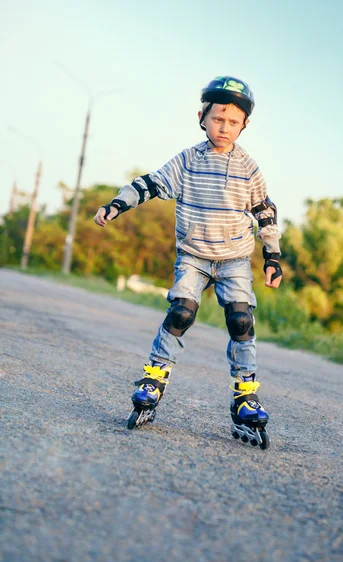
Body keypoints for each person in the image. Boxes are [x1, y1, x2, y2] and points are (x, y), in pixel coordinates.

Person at [94, 76, 282, 449]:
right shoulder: (188, 160)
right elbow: (150, 182)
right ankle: (154, 379)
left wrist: (272, 256)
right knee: (181, 312)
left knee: (241, 320)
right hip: (194, 255)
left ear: (245, 124)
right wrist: (117, 204)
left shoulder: (249, 168)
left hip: (234, 258)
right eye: (217, 119)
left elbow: (265, 211)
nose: (224, 128)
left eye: (232, 122)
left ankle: (245, 396)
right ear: (202, 116)